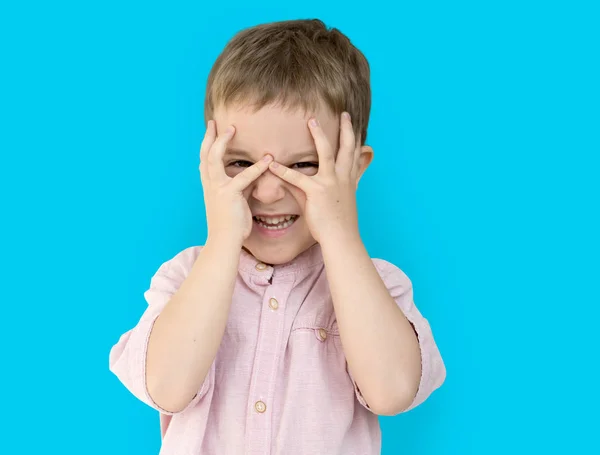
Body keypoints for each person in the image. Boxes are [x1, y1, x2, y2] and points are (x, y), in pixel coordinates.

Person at [109, 18, 446, 455]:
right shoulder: (187, 275)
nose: (267, 191)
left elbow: (393, 391)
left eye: (304, 165)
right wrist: (222, 242)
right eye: (239, 164)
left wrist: (341, 235)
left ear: (354, 169)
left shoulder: (377, 284)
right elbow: (167, 388)